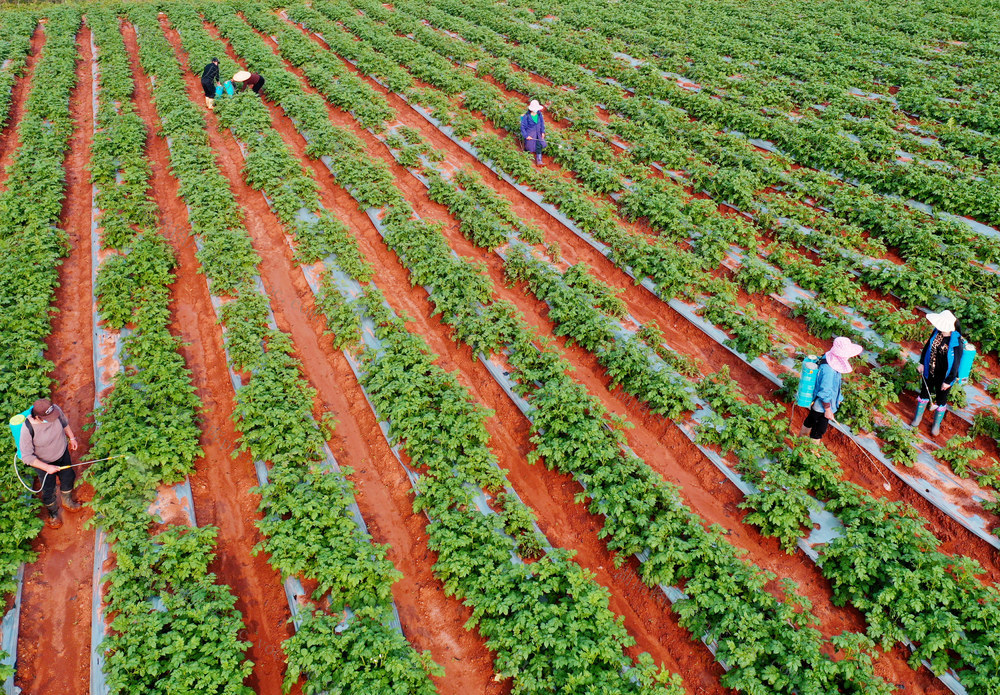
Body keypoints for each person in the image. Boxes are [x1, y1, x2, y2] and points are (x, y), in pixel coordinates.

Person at [19, 399, 81, 529]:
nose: (52, 419)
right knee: (48, 489)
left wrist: (72, 438)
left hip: (62, 453)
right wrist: (47, 467)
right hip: (44, 463)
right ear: (37, 417)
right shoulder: (27, 429)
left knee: (68, 477)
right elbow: (27, 457)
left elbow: (64, 423)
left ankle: (67, 501)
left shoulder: (55, 410)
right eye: (48, 418)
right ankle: (53, 514)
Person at [799, 336, 863, 441]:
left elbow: (832, 385)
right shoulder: (829, 370)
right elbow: (825, 392)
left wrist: (839, 398)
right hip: (822, 406)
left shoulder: (828, 358)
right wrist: (828, 410)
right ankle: (811, 451)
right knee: (818, 430)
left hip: (817, 403)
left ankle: (800, 439)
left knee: (811, 419)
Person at [911, 310, 964, 436]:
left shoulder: (956, 342)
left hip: (944, 376)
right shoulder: (936, 332)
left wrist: (948, 381)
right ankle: (917, 418)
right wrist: (922, 362)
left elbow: (956, 364)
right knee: (925, 392)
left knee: (941, 399)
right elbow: (927, 347)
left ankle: (936, 425)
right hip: (930, 369)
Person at [520, 99, 546, 166]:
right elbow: (523, 127)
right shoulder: (527, 116)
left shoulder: (539, 114)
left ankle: (539, 161)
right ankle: (526, 158)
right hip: (530, 134)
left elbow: (542, 123)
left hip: (538, 133)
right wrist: (526, 136)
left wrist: (542, 132)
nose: (536, 110)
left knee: (539, 145)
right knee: (529, 146)